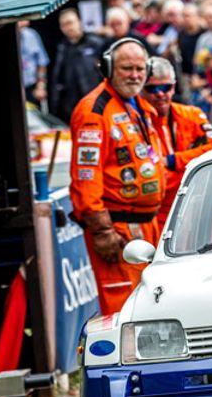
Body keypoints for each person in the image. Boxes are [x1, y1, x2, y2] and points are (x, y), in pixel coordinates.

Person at [69, 38, 169, 314]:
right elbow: (85, 177)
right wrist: (102, 230)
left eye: (140, 68)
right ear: (109, 68)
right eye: (127, 68)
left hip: (148, 224)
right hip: (118, 229)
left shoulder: (139, 107)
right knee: (125, 308)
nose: (135, 75)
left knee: (153, 303)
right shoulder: (94, 112)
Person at [141, 58, 212, 229]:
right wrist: (190, 165)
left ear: (174, 87)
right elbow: (151, 174)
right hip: (157, 212)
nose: (160, 93)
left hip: (196, 206)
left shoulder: (191, 114)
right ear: (141, 89)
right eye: (152, 89)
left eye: (166, 87)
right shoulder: (136, 122)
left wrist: (172, 161)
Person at [50, 8, 106, 121]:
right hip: (72, 105)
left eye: (70, 22)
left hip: (96, 100)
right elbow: (57, 78)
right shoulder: (62, 48)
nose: (68, 27)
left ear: (79, 22)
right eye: (64, 25)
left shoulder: (96, 43)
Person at [17, 20, 48, 111]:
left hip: (31, 87)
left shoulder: (31, 35)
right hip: (14, 89)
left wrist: (41, 86)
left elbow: (42, 62)